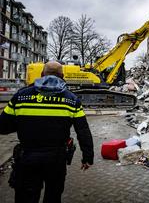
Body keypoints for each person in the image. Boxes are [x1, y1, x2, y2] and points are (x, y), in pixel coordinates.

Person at [0, 61, 94, 203]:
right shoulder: (72, 100)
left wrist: (24, 124)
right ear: (63, 76)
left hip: (27, 157)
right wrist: (87, 157)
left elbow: (3, 127)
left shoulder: (20, 96)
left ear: (41, 74)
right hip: (56, 160)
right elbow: (83, 130)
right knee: (53, 196)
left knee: (26, 197)